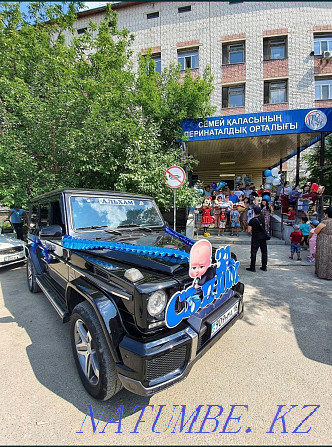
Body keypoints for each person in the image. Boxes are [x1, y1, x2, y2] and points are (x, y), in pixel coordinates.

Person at [246, 205, 268, 272]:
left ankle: (252, 267)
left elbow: (249, 230)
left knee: (254, 252)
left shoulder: (252, 220)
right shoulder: (262, 218)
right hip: (263, 236)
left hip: (256, 237)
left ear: (253, 211)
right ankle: (264, 266)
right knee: (264, 252)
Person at [314, 206, 332, 280]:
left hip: (324, 241)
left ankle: (322, 273)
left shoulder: (324, 222)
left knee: (323, 256)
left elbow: (316, 231)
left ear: (327, 214)